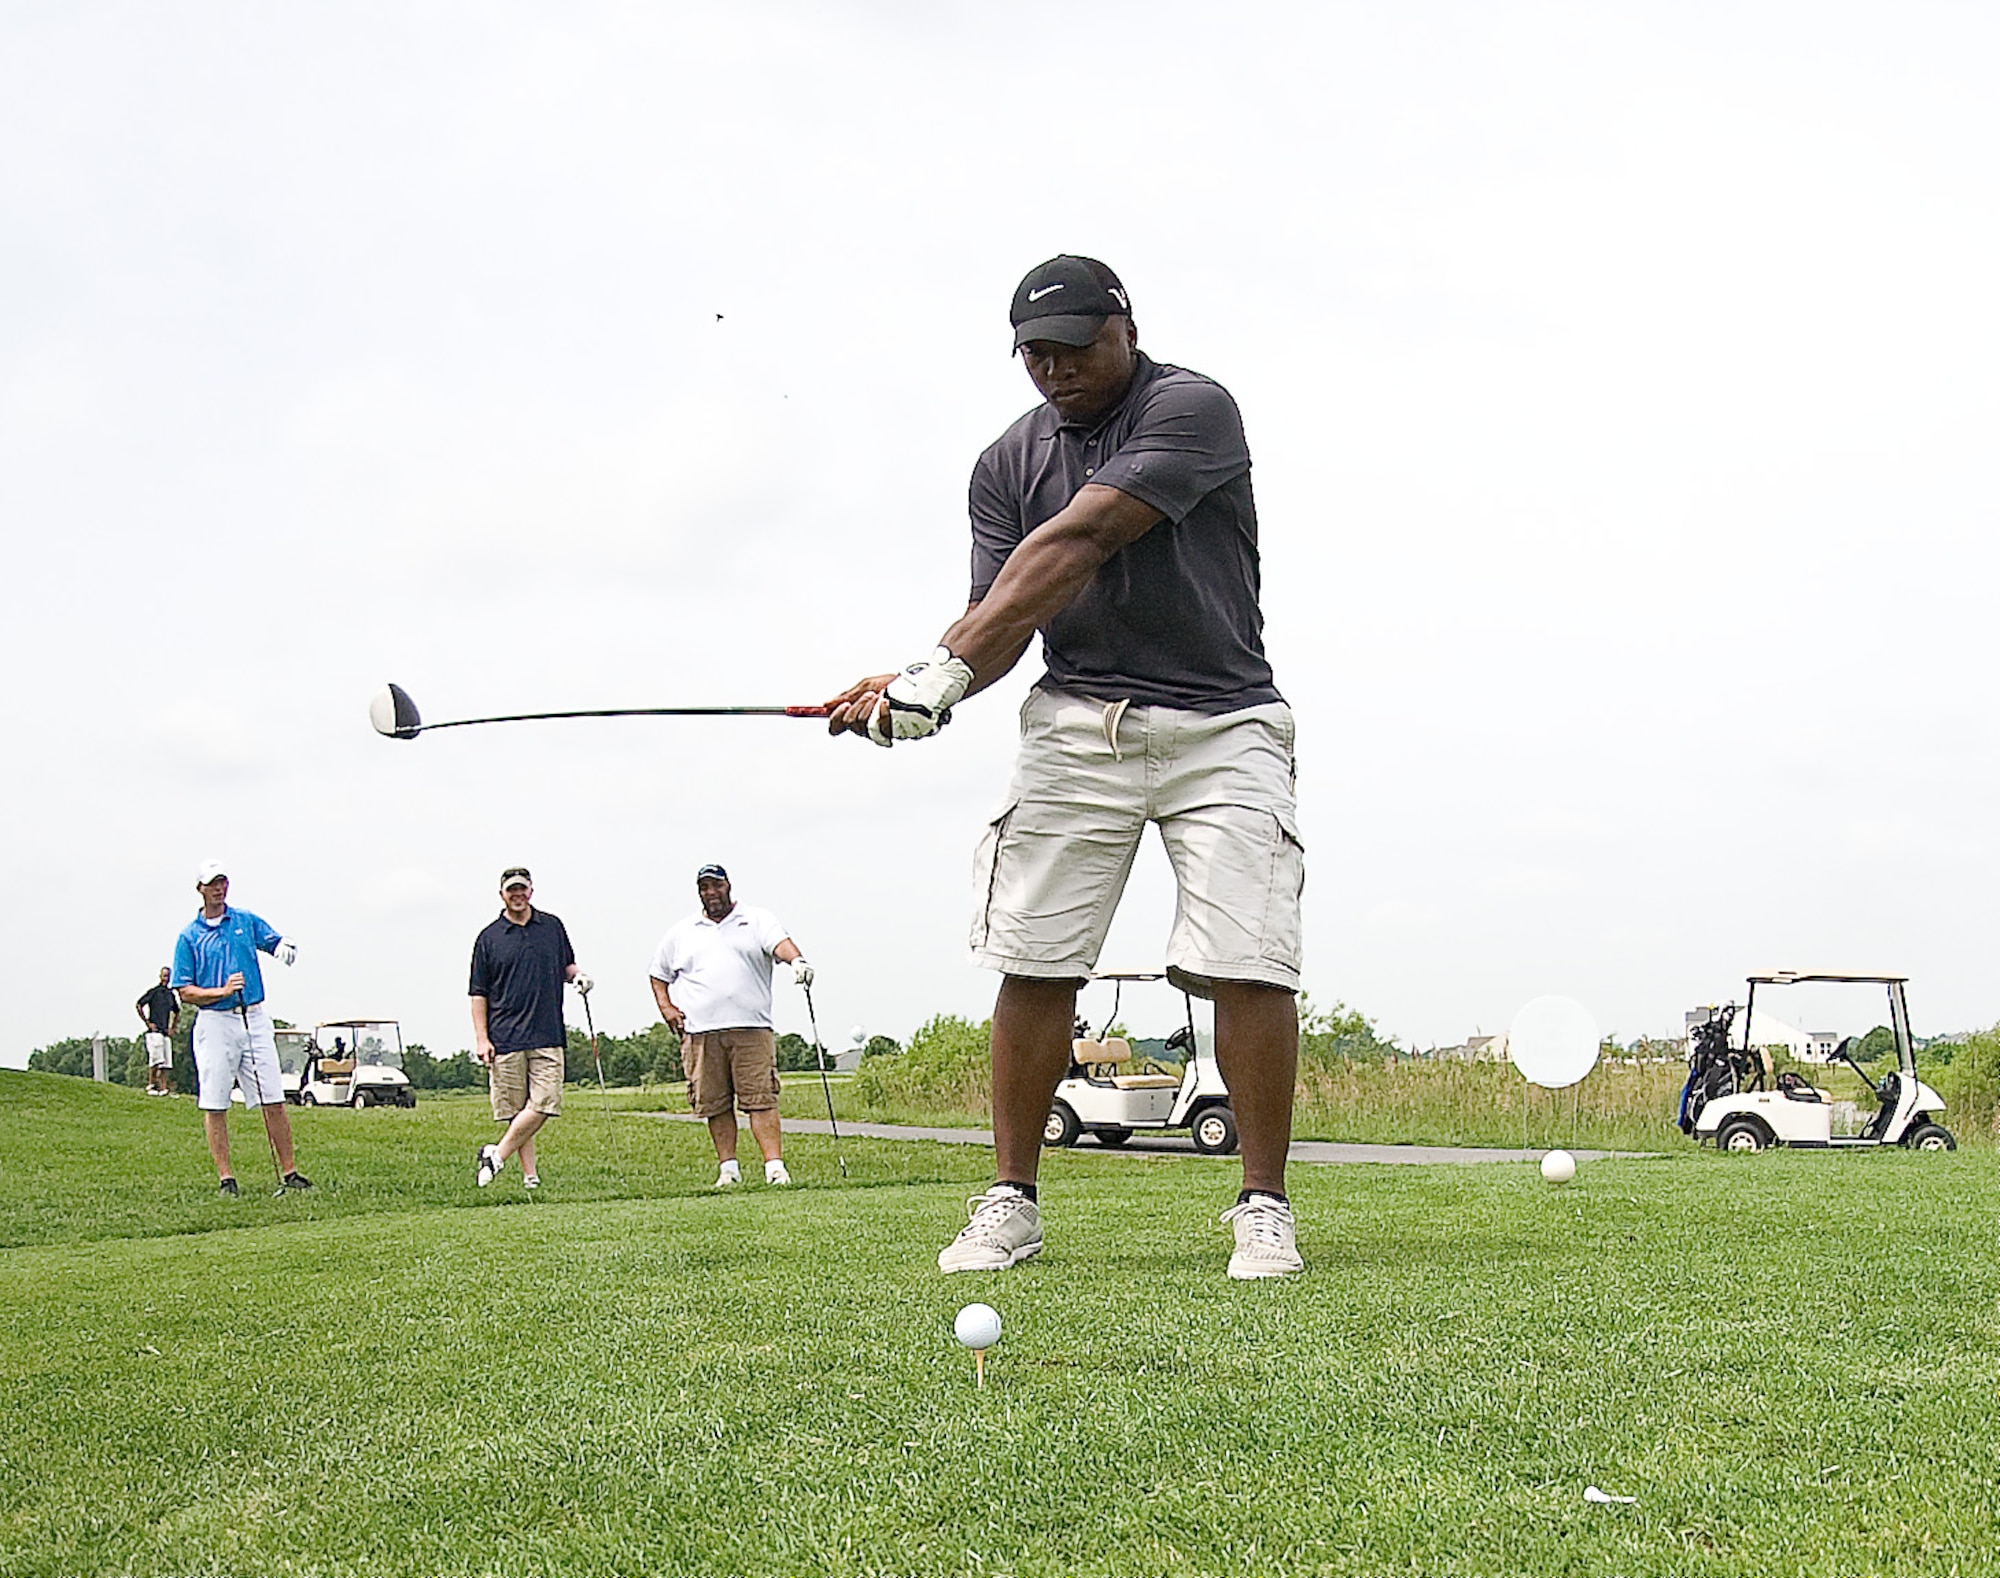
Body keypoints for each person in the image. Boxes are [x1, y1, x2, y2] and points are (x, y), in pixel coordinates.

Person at [825, 255, 1306, 1280]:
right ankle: (1010, 1201)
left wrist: (936, 666)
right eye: (1033, 355)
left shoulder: (1191, 410)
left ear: (1123, 327)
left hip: (1223, 723)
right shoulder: (1004, 464)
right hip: (1077, 721)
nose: (1054, 370)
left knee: (1247, 953)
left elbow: (1081, 539)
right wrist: (926, 686)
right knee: (1033, 952)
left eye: (1074, 347)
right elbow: (1006, 621)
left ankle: (1261, 1205)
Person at [648, 864, 813, 1188]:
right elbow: (658, 974)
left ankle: (774, 1167)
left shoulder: (756, 919)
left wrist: (797, 962)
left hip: (751, 1027)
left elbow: (780, 944)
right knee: (715, 1101)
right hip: (700, 1031)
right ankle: (729, 1169)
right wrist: (667, 1008)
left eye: (716, 886)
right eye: (705, 888)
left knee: (760, 1098)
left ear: (728, 886)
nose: (711, 893)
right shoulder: (683, 932)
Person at [170, 860, 312, 1195]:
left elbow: (272, 939)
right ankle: (226, 1178)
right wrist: (220, 991)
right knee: (216, 1101)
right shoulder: (189, 936)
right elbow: (184, 990)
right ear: (200, 889)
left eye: (223, 882)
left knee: (273, 1096)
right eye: (212, 884)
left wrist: (282, 948)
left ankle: (290, 1172)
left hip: (254, 1016)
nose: (219, 889)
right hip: (215, 1021)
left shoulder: (244, 920)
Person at [469, 867, 590, 1189]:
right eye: (512, 890)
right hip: (505, 1036)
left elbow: (567, 964)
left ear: (531, 891)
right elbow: (478, 993)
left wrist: (577, 976)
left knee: (545, 1102)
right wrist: (482, 1039)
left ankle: (496, 1155)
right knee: (516, 1111)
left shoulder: (551, 927)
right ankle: (530, 1176)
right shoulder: (489, 938)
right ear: (502, 895)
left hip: (547, 1031)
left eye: (522, 889)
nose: (518, 895)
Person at [134, 966, 180, 1095]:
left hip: (165, 1032)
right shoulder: (154, 992)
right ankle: (151, 1084)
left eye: (168, 976)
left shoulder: (170, 995)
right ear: (160, 976)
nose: (166, 978)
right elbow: (139, 1004)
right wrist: (147, 1022)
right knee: (155, 1060)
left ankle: (163, 1087)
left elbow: (177, 1011)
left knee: (166, 1063)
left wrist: (173, 1027)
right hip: (155, 1032)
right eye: (164, 976)